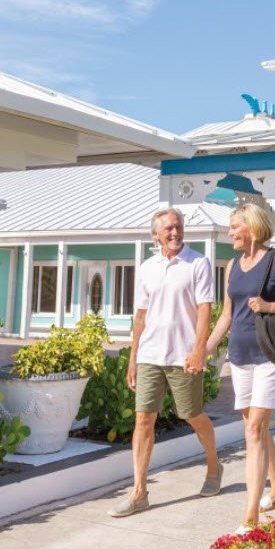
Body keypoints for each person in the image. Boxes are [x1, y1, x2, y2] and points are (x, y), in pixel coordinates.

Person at [108, 207, 223, 517]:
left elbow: (204, 310)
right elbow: (141, 316)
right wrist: (132, 358)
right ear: (155, 235)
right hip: (149, 355)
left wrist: (199, 350)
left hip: (183, 355)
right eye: (168, 229)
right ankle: (139, 491)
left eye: (178, 227)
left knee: (192, 414)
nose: (175, 233)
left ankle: (214, 464)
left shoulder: (198, 263)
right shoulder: (147, 267)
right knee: (144, 418)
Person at [206, 203, 275, 532]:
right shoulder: (232, 265)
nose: (230, 232)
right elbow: (226, 314)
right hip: (239, 355)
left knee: (253, 430)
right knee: (257, 428)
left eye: (234, 227)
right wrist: (203, 350)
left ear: (251, 227)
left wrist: (268, 306)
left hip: (269, 355)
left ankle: (250, 515)